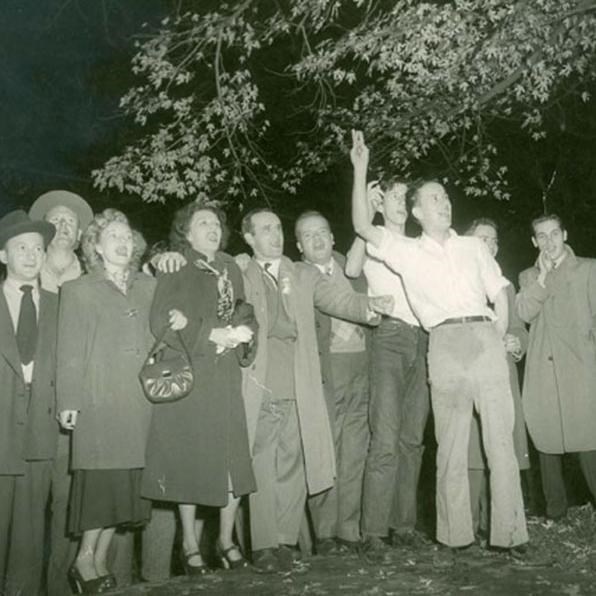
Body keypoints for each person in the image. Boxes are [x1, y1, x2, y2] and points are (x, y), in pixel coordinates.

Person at [350, 130, 528, 560]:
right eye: (433, 198)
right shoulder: (406, 251)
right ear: (415, 211)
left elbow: (500, 289)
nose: (444, 203)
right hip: (443, 343)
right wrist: (360, 170)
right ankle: (455, 536)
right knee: (449, 443)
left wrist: (501, 335)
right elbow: (360, 226)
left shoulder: (472, 246)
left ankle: (511, 534)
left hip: (485, 339)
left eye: (446, 196)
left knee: (500, 441)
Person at [239, 208, 393, 572]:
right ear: (248, 238)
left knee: (294, 461)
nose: (275, 236)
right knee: (262, 461)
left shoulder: (303, 273)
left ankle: (284, 541)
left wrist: (370, 306)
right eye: (265, 230)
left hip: (299, 379)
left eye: (278, 228)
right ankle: (262, 545)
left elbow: (339, 299)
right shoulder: (242, 270)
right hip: (261, 380)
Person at [57, 209, 170, 593]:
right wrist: (68, 400)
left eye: (127, 237)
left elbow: (163, 330)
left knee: (124, 488)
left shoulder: (149, 286)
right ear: (96, 247)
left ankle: (97, 561)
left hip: (140, 402)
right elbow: (69, 349)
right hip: (99, 400)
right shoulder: (78, 289)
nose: (123, 243)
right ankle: (83, 559)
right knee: (101, 486)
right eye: (113, 238)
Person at [141, 203, 258, 575]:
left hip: (226, 378)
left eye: (215, 223)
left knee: (231, 462)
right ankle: (190, 546)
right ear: (186, 234)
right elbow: (161, 319)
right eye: (201, 223)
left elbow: (243, 309)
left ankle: (226, 542)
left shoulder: (231, 267)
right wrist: (208, 333)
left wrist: (244, 332)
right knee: (189, 464)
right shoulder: (176, 265)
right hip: (192, 377)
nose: (211, 227)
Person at [345, 179, 430, 561]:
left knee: (412, 439)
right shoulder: (375, 236)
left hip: (424, 339)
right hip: (389, 338)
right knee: (386, 437)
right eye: (391, 197)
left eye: (402, 198)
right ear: (380, 205)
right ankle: (373, 532)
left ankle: (404, 526)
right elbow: (350, 267)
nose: (398, 203)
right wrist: (365, 205)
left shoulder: (420, 245)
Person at [295, 210, 371, 555]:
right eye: (308, 236)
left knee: (355, 451)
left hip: (361, 367)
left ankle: (348, 530)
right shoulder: (298, 275)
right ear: (298, 246)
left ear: (333, 237)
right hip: (327, 370)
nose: (318, 239)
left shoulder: (351, 267)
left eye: (323, 232)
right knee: (326, 449)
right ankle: (325, 534)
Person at [517, 214, 596, 521]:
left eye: (554, 234)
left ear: (564, 234)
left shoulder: (589, 269)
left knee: (589, 440)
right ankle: (555, 513)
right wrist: (542, 278)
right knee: (546, 439)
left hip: (581, 371)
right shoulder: (527, 276)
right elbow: (524, 312)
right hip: (543, 372)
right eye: (542, 236)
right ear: (534, 242)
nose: (549, 242)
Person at [0, 210, 58, 596]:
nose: (31, 254)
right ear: (3, 256)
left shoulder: (60, 305)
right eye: (21, 247)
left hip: (40, 434)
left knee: (29, 537)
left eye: (38, 247)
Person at [465, 218, 530, 538]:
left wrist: (518, 343)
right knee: (471, 448)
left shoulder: (505, 286)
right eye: (481, 239)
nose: (488, 245)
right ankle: (469, 524)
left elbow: (518, 327)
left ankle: (501, 525)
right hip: (469, 374)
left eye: (493, 240)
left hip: (502, 375)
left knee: (503, 445)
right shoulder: (457, 281)